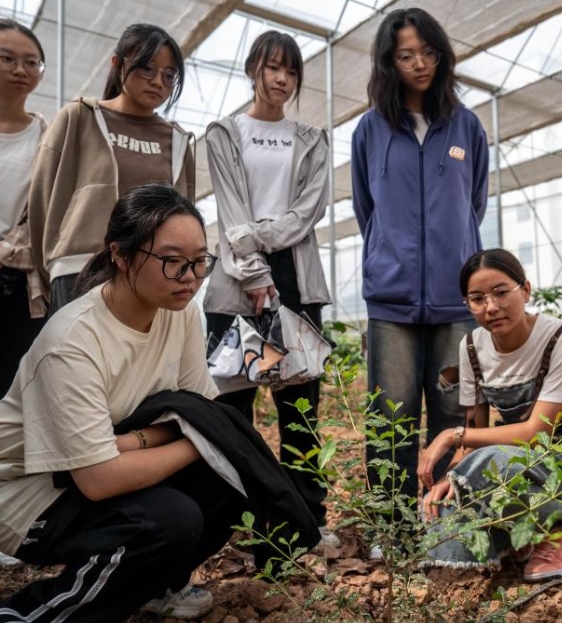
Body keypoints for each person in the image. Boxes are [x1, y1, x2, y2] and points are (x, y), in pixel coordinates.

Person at [0, 184, 242, 622]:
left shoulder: (181, 311)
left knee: (229, 478)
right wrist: (203, 443)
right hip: (25, 489)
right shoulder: (73, 341)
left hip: (93, 460)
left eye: (199, 261)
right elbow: (99, 480)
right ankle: (29, 615)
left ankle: (153, 585)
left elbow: (204, 410)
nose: (189, 276)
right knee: (168, 519)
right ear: (121, 254)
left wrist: (136, 442)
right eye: (172, 261)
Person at [351, 8, 490, 544]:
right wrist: (391, 255)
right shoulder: (370, 129)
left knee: (454, 414)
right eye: (406, 55)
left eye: (428, 53)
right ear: (389, 61)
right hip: (391, 300)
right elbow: (367, 208)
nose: (419, 64)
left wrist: (453, 258)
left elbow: (472, 203)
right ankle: (389, 528)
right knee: (392, 417)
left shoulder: (466, 125)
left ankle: (447, 529)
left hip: (456, 301)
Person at [202, 30, 337, 548]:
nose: (281, 79)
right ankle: (242, 520)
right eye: (272, 67)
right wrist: (255, 270)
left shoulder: (312, 139)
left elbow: (308, 212)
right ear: (253, 69)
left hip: (295, 282)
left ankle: (308, 517)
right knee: (235, 412)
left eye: (291, 71)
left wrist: (257, 237)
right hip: (237, 284)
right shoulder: (224, 131)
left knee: (299, 408)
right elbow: (230, 206)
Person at [417, 249, 562, 581]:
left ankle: (558, 530)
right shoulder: (472, 346)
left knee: (497, 460)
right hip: (509, 459)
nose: (491, 307)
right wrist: (449, 479)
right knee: (441, 501)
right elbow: (474, 430)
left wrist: (451, 435)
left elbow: (535, 432)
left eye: (501, 293)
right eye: (477, 298)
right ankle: (519, 531)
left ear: (525, 290)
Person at [28, 23, 194, 314]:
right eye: (147, 68)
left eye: (169, 75)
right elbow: (41, 200)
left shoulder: (178, 140)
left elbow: (184, 213)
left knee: (142, 359)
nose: (158, 81)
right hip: (80, 269)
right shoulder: (79, 117)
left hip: (152, 274)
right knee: (79, 358)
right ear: (117, 63)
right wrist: (54, 265)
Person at [0, 18, 46, 398]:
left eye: (32, 62)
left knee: (12, 386)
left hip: (20, 281)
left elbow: (49, 211)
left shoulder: (49, 137)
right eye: (7, 59)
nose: (21, 70)